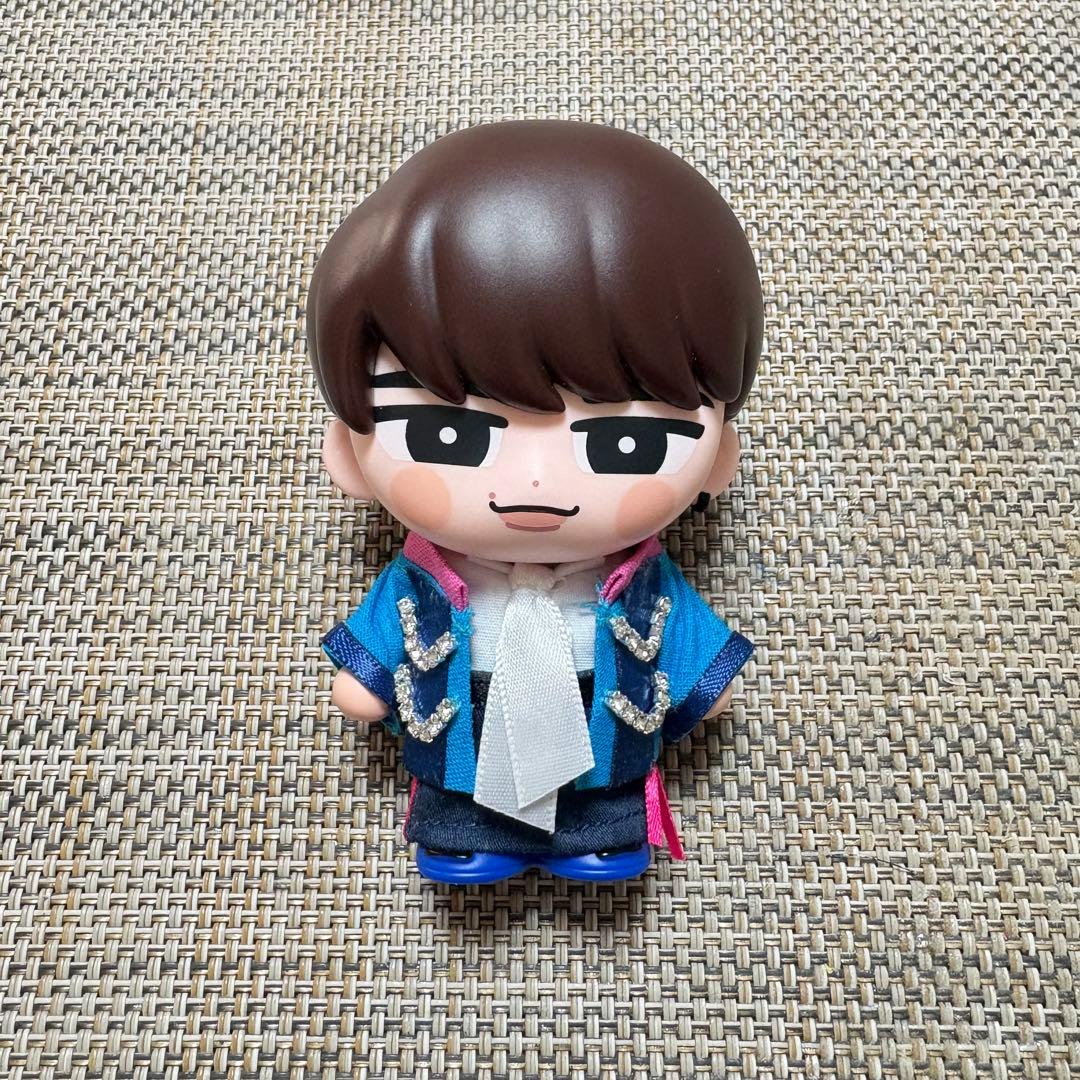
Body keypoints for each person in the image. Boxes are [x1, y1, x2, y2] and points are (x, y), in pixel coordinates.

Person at [308, 120, 763, 883]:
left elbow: (687, 646)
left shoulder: (643, 587)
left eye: (626, 444)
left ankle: (603, 835)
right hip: (463, 724)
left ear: (718, 458)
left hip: (602, 726)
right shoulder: (420, 585)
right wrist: (368, 680)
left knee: (603, 779)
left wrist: (702, 686)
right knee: (459, 777)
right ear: (348, 456)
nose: (535, 482)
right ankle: (461, 835)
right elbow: (379, 647)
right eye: (449, 436)